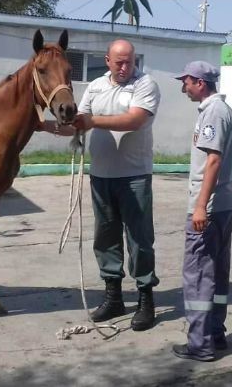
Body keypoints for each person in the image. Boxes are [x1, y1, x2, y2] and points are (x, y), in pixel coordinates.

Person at [69, 39, 162, 331]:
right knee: (105, 238)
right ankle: (114, 298)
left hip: (134, 175)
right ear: (107, 60)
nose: (124, 67)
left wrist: (92, 121)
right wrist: (44, 125)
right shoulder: (95, 86)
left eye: (129, 62)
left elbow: (134, 120)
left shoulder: (146, 85)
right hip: (101, 176)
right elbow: (78, 121)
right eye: (119, 62)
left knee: (139, 239)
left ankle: (146, 299)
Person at [171, 60, 232, 362]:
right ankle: (215, 333)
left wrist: (200, 206)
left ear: (200, 83)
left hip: (209, 208)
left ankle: (200, 344)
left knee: (198, 273)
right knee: (218, 272)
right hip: (225, 205)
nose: (183, 86)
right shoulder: (224, 111)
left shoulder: (213, 112)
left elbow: (213, 160)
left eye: (186, 81)